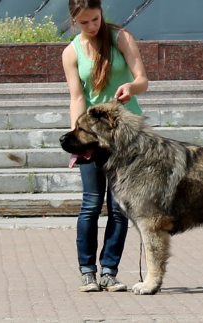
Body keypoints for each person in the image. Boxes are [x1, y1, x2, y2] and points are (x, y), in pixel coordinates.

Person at [62, 0, 148, 292]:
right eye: (84, 22)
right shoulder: (71, 52)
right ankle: (87, 271)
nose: (91, 26)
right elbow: (77, 97)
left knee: (119, 206)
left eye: (95, 20)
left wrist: (130, 88)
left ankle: (109, 271)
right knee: (90, 203)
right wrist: (78, 137)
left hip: (126, 135)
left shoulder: (121, 37)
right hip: (93, 136)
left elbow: (142, 80)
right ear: (74, 20)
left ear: (101, 13)